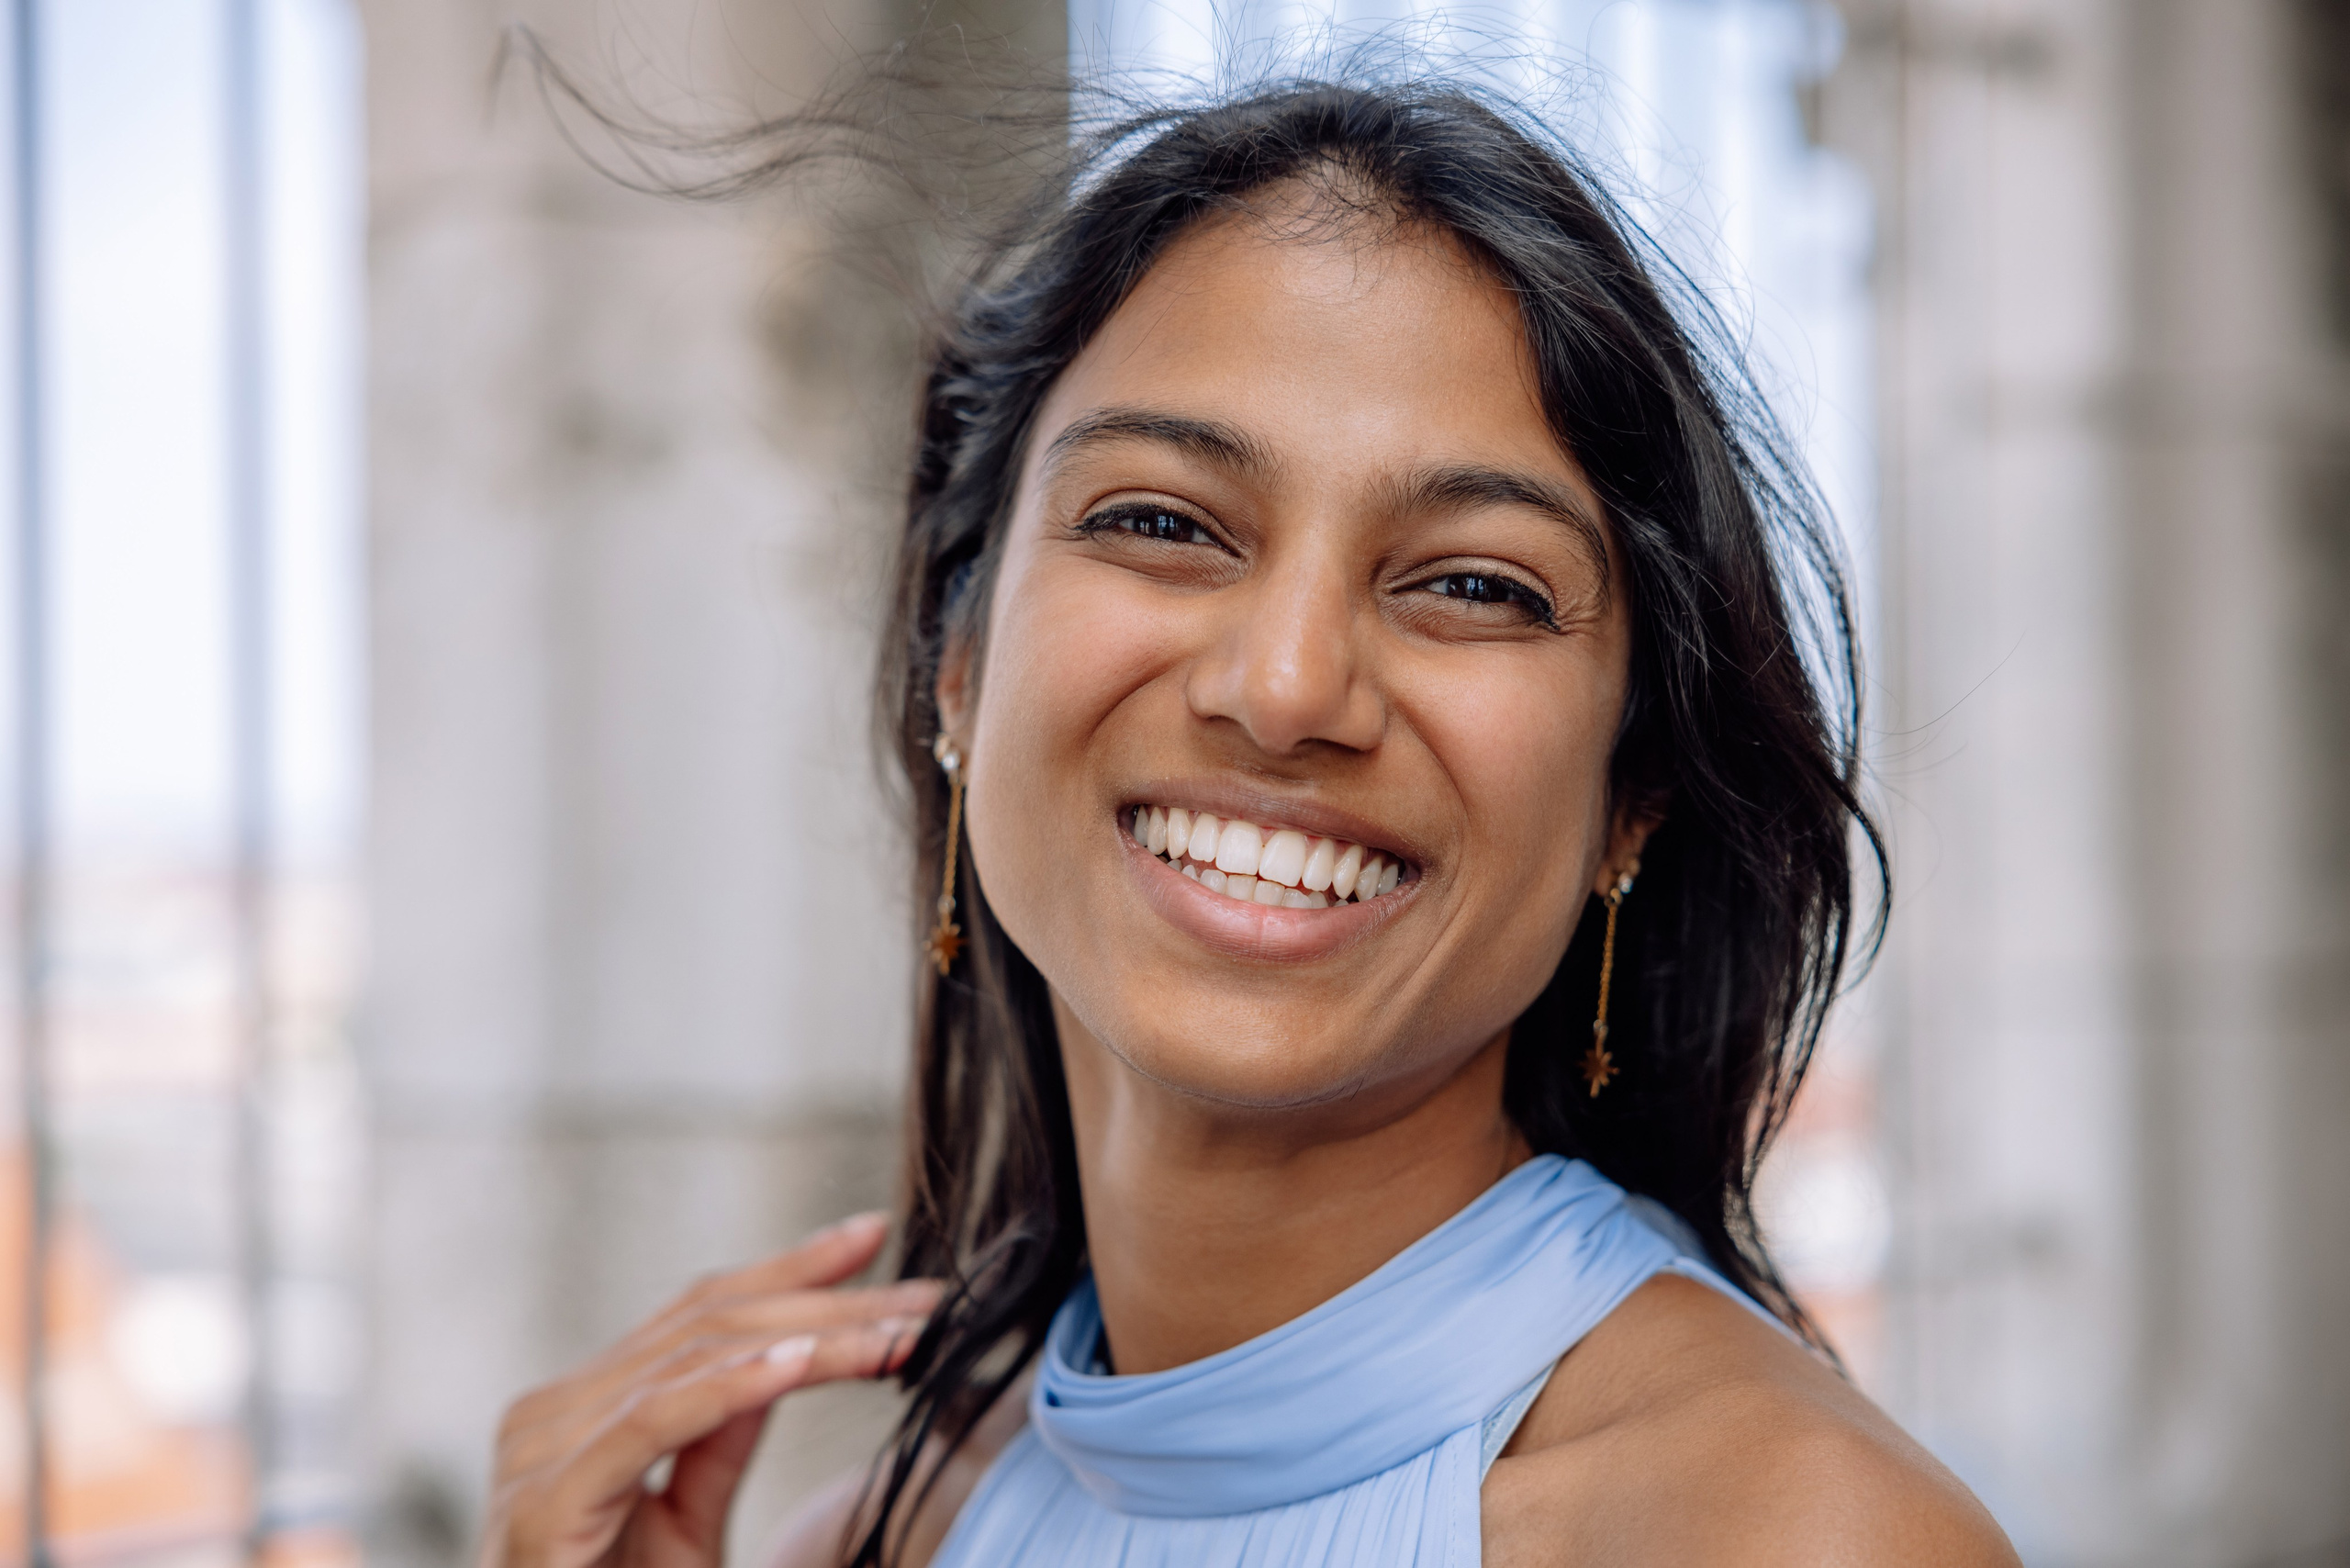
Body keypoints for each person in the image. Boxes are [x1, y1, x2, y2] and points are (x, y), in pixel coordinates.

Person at [475, 79, 2020, 1568]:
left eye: (1473, 583)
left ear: (1631, 799)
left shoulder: (1784, 1535)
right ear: (960, 672)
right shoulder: (885, 1536)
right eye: (1162, 523)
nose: (1286, 689)